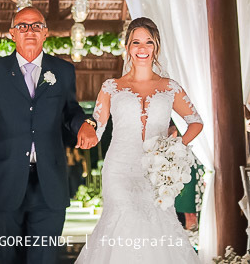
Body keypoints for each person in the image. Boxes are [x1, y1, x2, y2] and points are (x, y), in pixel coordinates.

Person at [0, 6, 97, 264]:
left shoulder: (63, 71)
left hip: (50, 182)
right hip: (5, 181)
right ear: (12, 33)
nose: (30, 31)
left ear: (45, 33)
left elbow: (70, 111)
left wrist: (84, 123)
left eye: (36, 25)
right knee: (9, 258)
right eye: (23, 26)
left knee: (44, 258)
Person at [76, 17, 203, 263]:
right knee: (123, 223)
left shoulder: (170, 87)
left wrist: (174, 149)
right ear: (127, 47)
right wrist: (86, 129)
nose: (142, 48)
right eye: (136, 42)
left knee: (158, 226)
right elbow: (97, 126)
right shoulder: (111, 87)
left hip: (158, 173)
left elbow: (196, 122)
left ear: (156, 47)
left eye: (148, 42)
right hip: (119, 170)